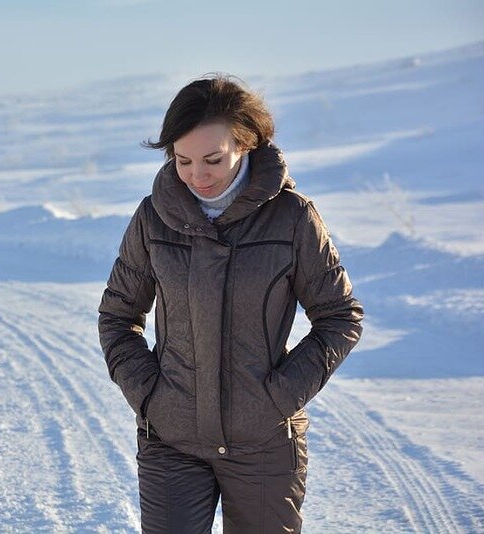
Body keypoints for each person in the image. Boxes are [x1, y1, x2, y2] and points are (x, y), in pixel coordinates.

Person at [97, 74, 364, 533]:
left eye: (213, 159)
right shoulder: (153, 218)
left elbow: (339, 317)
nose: (197, 175)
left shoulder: (292, 216)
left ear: (246, 144)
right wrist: (151, 397)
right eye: (183, 161)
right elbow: (119, 317)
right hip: (171, 441)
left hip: (263, 443)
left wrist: (276, 397)